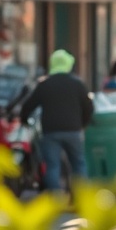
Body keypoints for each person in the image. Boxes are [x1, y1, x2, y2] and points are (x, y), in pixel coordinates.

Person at [19, 49, 94, 195]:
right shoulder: (78, 84)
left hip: (51, 132)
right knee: (78, 164)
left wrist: (24, 119)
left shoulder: (45, 84)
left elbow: (28, 105)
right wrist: (82, 125)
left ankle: (56, 199)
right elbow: (89, 108)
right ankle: (82, 197)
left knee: (52, 166)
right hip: (73, 131)